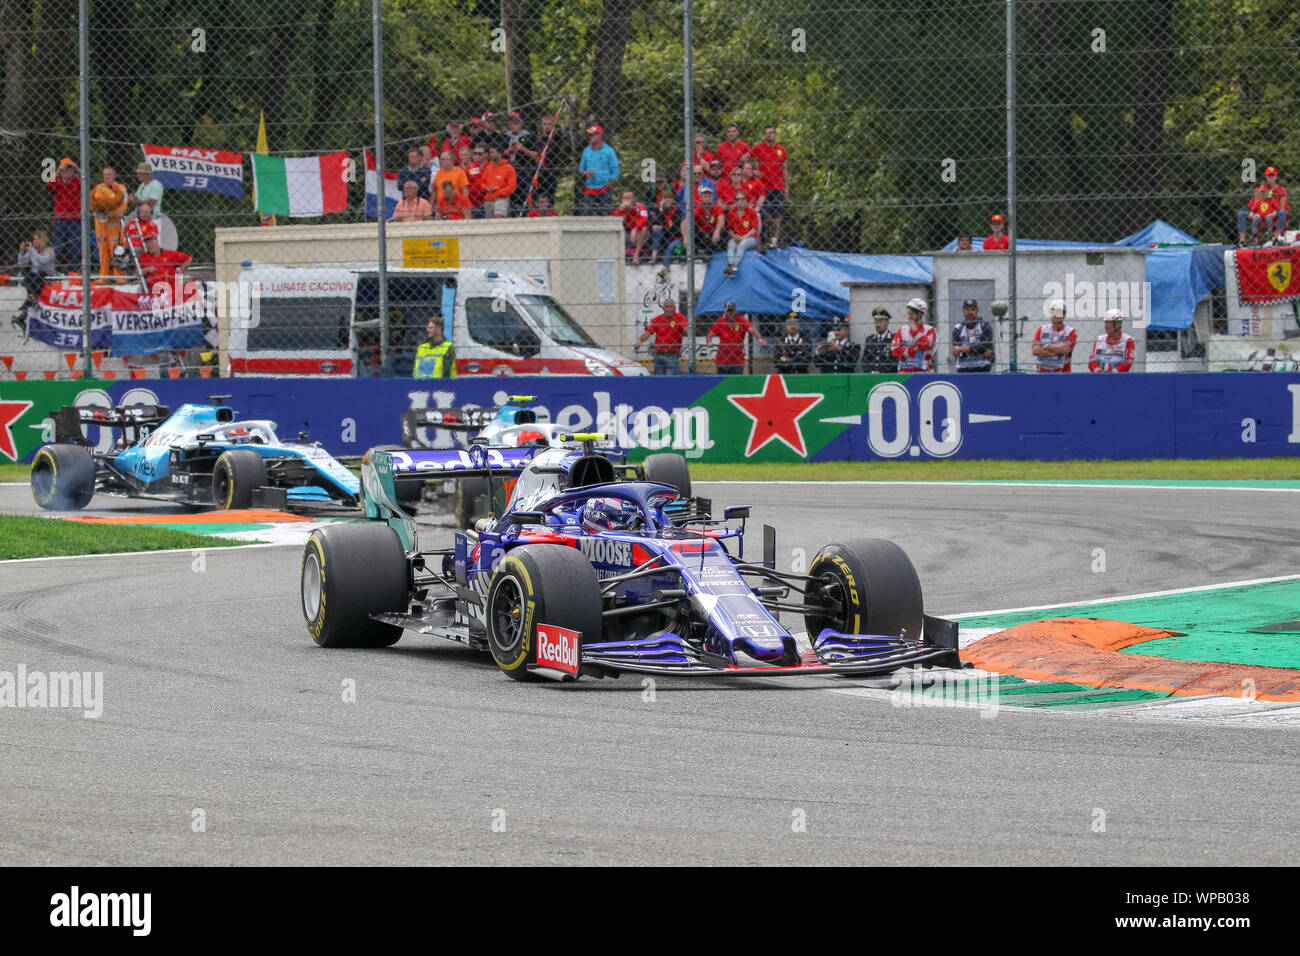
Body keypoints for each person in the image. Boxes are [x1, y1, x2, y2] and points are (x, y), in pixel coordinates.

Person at [749, 126, 787, 249]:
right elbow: (745, 159)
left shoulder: (781, 150)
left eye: (771, 133)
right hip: (763, 188)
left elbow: (785, 169)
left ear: (775, 134)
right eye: (767, 133)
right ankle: (763, 240)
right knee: (764, 215)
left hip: (778, 187)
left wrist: (786, 188)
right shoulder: (759, 148)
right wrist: (753, 171)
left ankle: (774, 241)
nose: (769, 135)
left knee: (778, 216)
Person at [89, 167, 128, 280]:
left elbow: (123, 206)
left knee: (116, 251)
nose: (107, 177)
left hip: (115, 225)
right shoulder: (98, 189)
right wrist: (99, 211)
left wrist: (113, 213)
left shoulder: (121, 189)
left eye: (109, 174)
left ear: (114, 176)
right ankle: (104, 277)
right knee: (102, 251)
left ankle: (120, 276)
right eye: (105, 174)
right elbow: (92, 205)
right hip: (101, 225)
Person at [635, 297, 687, 375]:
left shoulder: (680, 317)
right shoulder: (657, 319)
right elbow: (648, 332)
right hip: (658, 355)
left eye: (671, 307)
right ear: (663, 308)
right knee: (659, 380)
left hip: (672, 355)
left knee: (670, 380)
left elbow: (686, 329)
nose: (669, 309)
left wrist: (689, 332)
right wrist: (639, 341)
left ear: (675, 308)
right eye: (667, 307)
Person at [1238, 166, 1289, 245]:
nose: (1271, 178)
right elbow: (1256, 203)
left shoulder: (1282, 190)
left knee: (1283, 212)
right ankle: (1242, 241)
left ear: (1276, 177)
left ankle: (1276, 239)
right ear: (1266, 177)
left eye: (1273, 176)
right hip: (1259, 215)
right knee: (1241, 214)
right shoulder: (1261, 189)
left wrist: (1275, 213)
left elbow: (1282, 208)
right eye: (1269, 176)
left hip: (1273, 216)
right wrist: (1253, 213)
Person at [708, 302, 763, 374]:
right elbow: (709, 335)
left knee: (737, 382)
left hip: (737, 360)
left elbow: (752, 330)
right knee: (723, 383)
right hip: (723, 360)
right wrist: (709, 342)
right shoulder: (720, 321)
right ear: (725, 312)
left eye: (732, 310)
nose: (730, 313)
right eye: (728, 311)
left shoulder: (741, 320)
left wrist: (760, 340)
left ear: (736, 311)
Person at [46, 158, 82, 265]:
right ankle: (56, 272)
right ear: (61, 171)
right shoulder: (58, 182)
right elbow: (48, 185)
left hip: (75, 220)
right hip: (60, 220)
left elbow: (87, 182)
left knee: (74, 248)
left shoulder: (77, 181)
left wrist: (77, 168)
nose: (67, 172)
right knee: (57, 247)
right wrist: (57, 171)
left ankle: (73, 273)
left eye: (70, 170)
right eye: (65, 170)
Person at [504, 111, 541, 215]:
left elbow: (535, 155)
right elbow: (496, 153)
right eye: (511, 122)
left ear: (521, 123)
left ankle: (524, 212)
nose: (513, 125)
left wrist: (522, 149)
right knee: (510, 197)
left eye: (516, 122)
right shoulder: (504, 137)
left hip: (524, 169)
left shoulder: (529, 137)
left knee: (524, 194)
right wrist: (508, 151)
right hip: (507, 169)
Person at [578, 124, 620, 215]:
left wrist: (609, 185)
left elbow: (616, 171)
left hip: (604, 188)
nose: (589, 136)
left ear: (599, 135)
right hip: (590, 188)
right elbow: (581, 169)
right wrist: (586, 172)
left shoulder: (609, 151)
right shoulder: (586, 151)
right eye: (589, 134)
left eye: (592, 134)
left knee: (606, 214)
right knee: (588, 214)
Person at [1032, 298, 1078, 372]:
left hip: (1062, 372)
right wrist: (1053, 353)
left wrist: (1047, 347)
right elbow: (1035, 350)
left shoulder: (1071, 332)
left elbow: (1065, 349)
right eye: (1053, 311)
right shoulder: (1041, 329)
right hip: (1042, 372)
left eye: (1059, 312)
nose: (1056, 315)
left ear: (1064, 314)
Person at [891, 298, 937, 371]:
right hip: (904, 373)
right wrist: (914, 349)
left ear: (920, 314)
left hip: (924, 373)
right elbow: (895, 351)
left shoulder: (930, 330)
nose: (909, 317)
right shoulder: (902, 330)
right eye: (908, 314)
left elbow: (926, 345)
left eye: (911, 314)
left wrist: (915, 331)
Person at [952, 297, 995, 372]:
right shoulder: (958, 328)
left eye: (973, 309)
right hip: (963, 368)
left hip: (983, 368)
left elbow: (985, 347)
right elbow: (955, 352)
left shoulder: (985, 326)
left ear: (977, 310)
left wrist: (963, 349)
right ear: (963, 311)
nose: (970, 312)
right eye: (967, 309)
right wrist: (980, 353)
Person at [723, 191, 760, 277]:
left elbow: (754, 229)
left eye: (742, 199)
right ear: (735, 201)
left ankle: (734, 267)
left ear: (746, 200)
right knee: (730, 245)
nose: (740, 201)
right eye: (738, 199)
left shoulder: (752, 211)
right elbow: (730, 229)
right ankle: (730, 264)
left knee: (741, 246)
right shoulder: (732, 213)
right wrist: (735, 236)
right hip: (737, 236)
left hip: (750, 237)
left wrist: (744, 237)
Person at [480, 145, 517, 219]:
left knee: (498, 217)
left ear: (500, 153)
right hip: (489, 199)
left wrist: (498, 192)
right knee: (490, 223)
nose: (490, 155)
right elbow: (482, 183)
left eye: (492, 152)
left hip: (501, 198)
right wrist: (487, 189)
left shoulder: (509, 168)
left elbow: (512, 187)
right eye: (489, 153)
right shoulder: (488, 167)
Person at [616, 190, 650, 264]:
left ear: (633, 199)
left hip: (638, 234)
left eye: (628, 198)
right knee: (618, 230)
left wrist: (635, 230)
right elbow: (614, 221)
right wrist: (620, 210)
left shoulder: (640, 206)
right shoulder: (621, 208)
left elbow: (643, 220)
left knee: (644, 228)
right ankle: (619, 257)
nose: (626, 200)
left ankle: (636, 255)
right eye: (624, 198)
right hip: (626, 234)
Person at [861, 307, 895, 372]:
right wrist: (871, 372)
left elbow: (895, 361)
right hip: (871, 377)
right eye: (876, 321)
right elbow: (865, 360)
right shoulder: (869, 340)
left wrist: (881, 372)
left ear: (887, 323)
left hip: (888, 377)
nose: (878, 324)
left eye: (881, 321)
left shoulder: (893, 339)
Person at [463, 146, 487, 218]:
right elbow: (465, 185)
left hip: (488, 202)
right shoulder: (469, 168)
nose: (477, 156)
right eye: (475, 153)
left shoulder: (490, 166)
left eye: (479, 154)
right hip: (473, 204)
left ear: (486, 154)